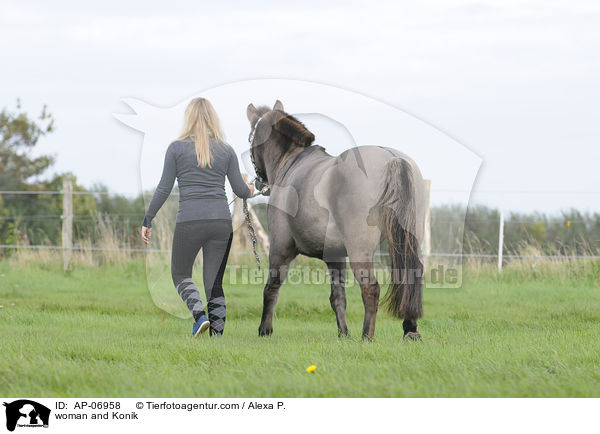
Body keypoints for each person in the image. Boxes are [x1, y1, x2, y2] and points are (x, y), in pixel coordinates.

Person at [141, 97, 254, 337]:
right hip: (221, 223)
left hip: (189, 222)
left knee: (180, 274)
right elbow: (241, 191)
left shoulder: (176, 149)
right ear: (213, 119)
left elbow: (163, 188)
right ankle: (217, 338)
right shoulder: (226, 150)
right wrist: (254, 189)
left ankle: (199, 316)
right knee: (214, 284)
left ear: (188, 118)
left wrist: (147, 219)